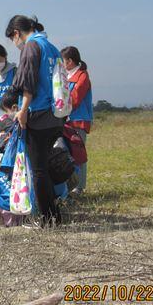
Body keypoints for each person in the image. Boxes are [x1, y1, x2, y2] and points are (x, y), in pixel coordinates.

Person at [6, 15, 64, 226]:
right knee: (45, 167)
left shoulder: (31, 46)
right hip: (55, 114)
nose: (16, 44)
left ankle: (49, 219)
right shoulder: (52, 47)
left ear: (16, 33)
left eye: (13, 39)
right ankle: (54, 214)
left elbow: (29, 82)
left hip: (37, 113)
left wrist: (22, 110)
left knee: (38, 170)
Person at [61, 46, 93, 196]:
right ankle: (68, 186)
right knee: (66, 155)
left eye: (63, 61)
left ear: (70, 61)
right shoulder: (64, 75)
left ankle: (79, 187)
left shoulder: (82, 76)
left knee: (78, 155)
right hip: (65, 121)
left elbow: (74, 98)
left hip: (78, 121)